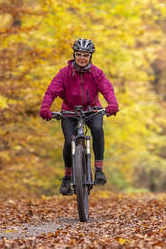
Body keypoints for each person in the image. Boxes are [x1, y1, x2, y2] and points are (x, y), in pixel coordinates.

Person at [39, 38, 119, 195]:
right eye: (79, 54)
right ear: (74, 55)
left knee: (97, 129)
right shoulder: (64, 73)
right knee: (69, 142)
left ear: (90, 57)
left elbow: (108, 90)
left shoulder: (96, 73)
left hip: (92, 110)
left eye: (86, 55)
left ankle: (99, 170)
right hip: (70, 112)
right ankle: (67, 177)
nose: (82, 58)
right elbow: (51, 91)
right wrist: (45, 107)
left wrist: (112, 104)